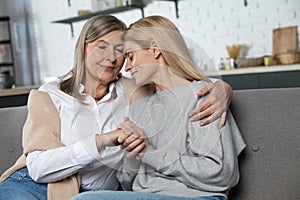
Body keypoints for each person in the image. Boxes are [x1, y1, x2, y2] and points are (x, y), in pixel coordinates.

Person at [0, 15, 233, 200]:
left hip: (95, 193)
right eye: (102, 46)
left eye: (122, 51)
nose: (113, 58)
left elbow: (176, 85)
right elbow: (39, 168)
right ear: (84, 48)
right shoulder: (49, 94)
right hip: (37, 183)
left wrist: (222, 88)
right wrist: (100, 141)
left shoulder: (135, 90)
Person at [72, 16, 245, 200]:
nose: (127, 67)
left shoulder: (205, 96)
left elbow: (221, 175)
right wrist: (133, 153)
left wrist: (150, 153)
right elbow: (127, 183)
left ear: (155, 49)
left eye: (131, 56)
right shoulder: (140, 105)